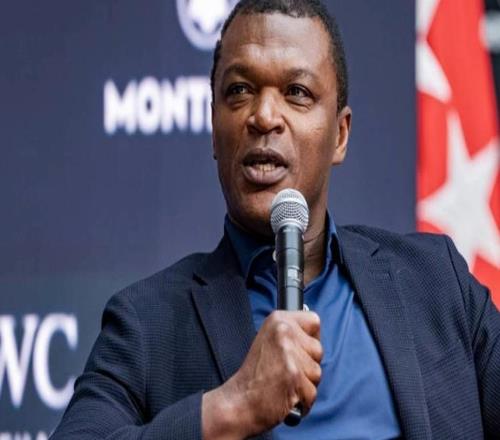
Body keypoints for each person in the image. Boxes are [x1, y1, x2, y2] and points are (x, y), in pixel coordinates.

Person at [51, 1, 500, 439]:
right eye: (239, 91)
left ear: (340, 135)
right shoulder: (148, 322)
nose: (264, 116)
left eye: (297, 92)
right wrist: (232, 408)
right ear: (214, 128)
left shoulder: (435, 281)